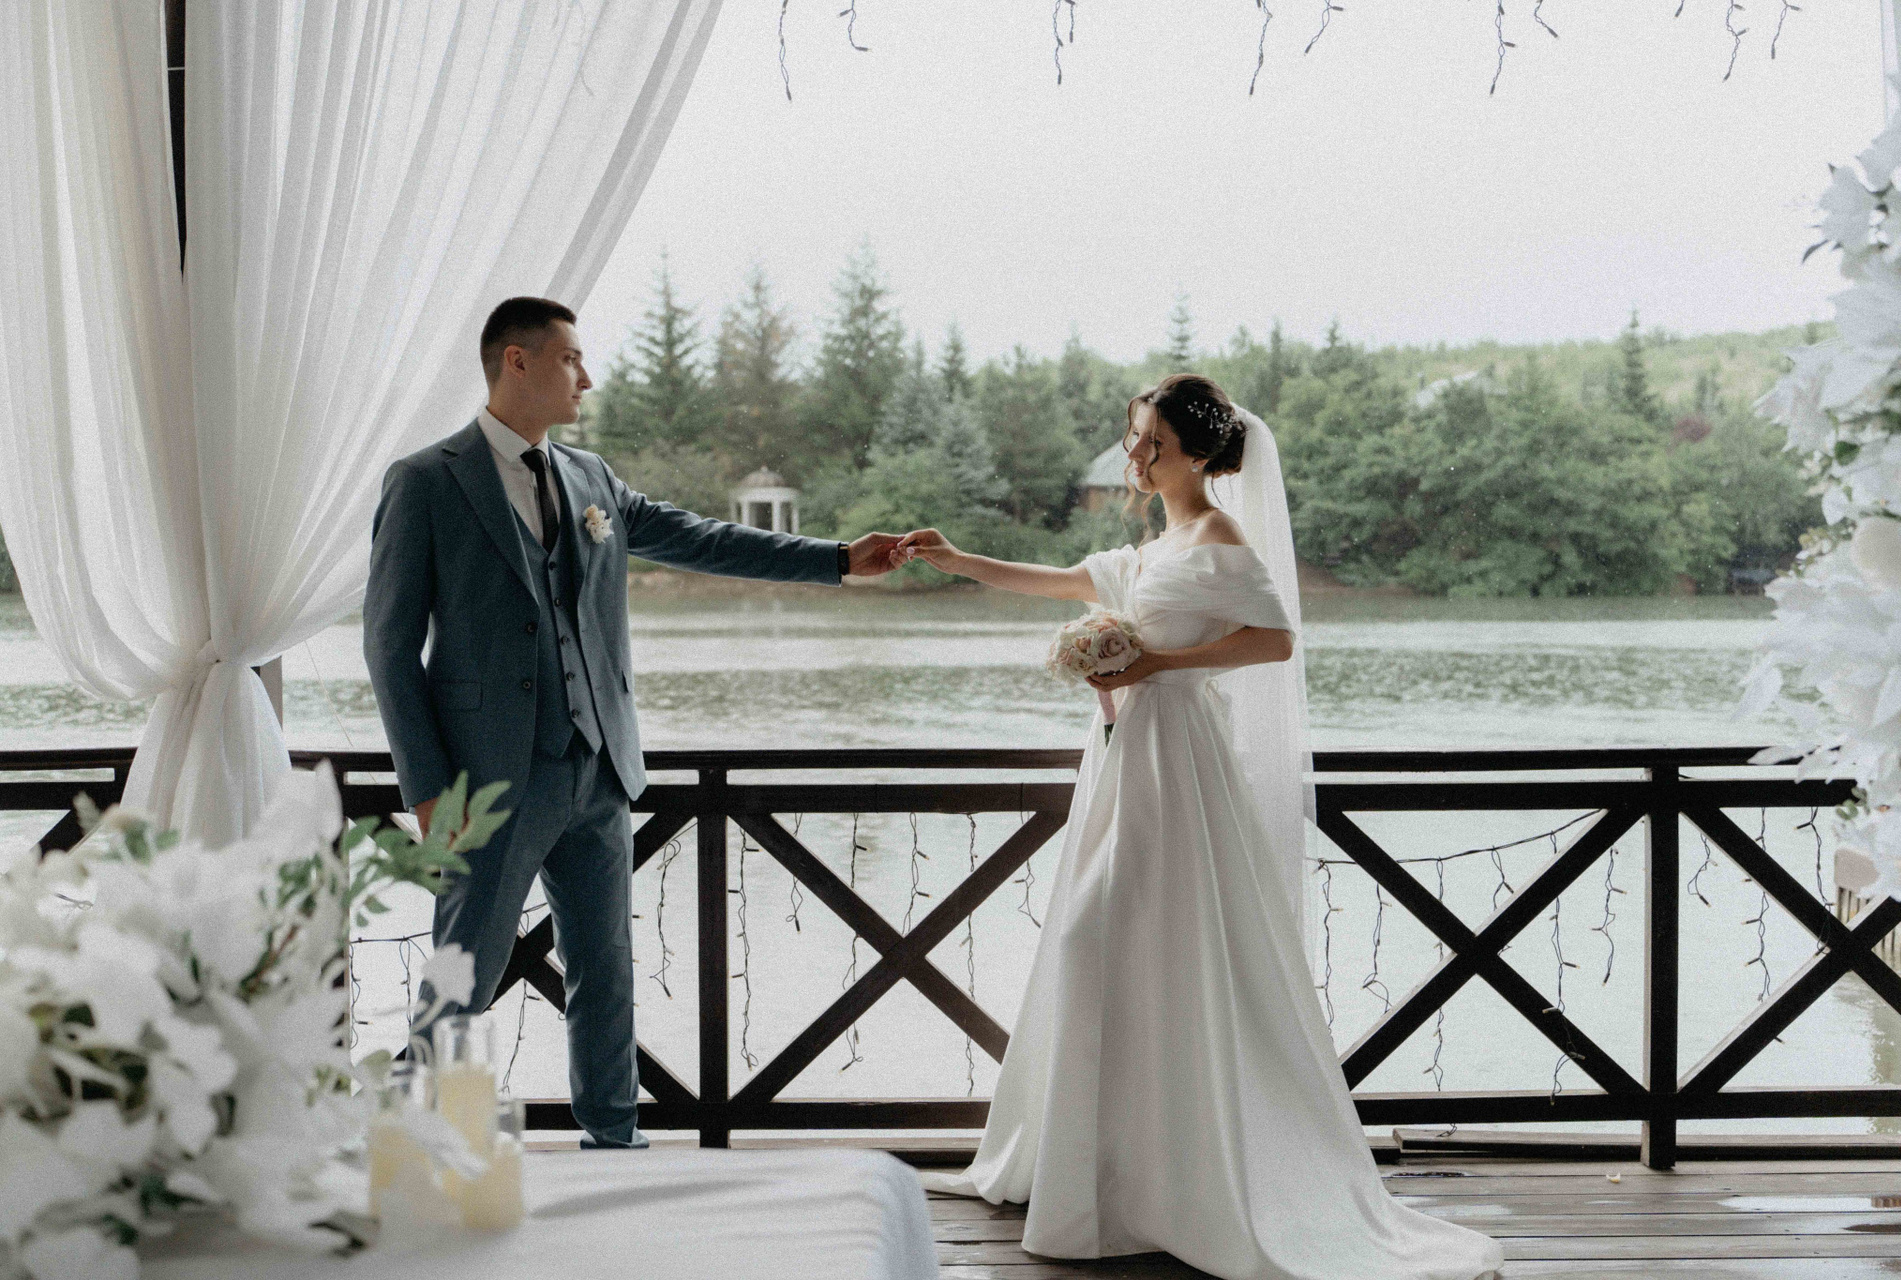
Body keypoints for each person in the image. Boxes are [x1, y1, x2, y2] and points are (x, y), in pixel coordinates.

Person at [897, 374, 1502, 1279]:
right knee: (1105, 943)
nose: (1136, 455)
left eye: (1154, 443)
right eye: (1134, 438)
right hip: (1123, 760)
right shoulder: (1155, 547)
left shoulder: (1219, 536)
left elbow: (1273, 640)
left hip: (1179, 760)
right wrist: (959, 561)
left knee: (1125, 936)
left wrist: (1156, 664)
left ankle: (1178, 1175)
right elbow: (1063, 582)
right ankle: (1108, 1168)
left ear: (1198, 454)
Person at [363, 296, 902, 1148]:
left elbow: (702, 539)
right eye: (571, 358)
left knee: (607, 975)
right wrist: (427, 789)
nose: (586, 376)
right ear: (517, 361)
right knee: (463, 976)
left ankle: (615, 1148)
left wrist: (837, 560)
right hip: (484, 787)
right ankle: (408, 1151)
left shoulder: (591, 478)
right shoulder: (426, 481)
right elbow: (388, 647)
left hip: (600, 771)